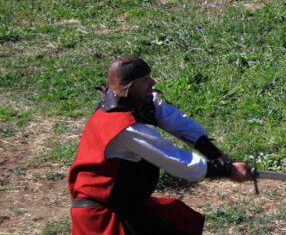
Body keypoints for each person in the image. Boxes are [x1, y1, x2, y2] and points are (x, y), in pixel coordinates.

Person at [68, 55, 253, 234]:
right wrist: (227, 170)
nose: (152, 83)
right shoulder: (125, 128)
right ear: (129, 87)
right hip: (103, 218)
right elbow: (175, 161)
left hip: (126, 207)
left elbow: (180, 123)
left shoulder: (141, 103)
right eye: (145, 79)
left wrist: (218, 157)